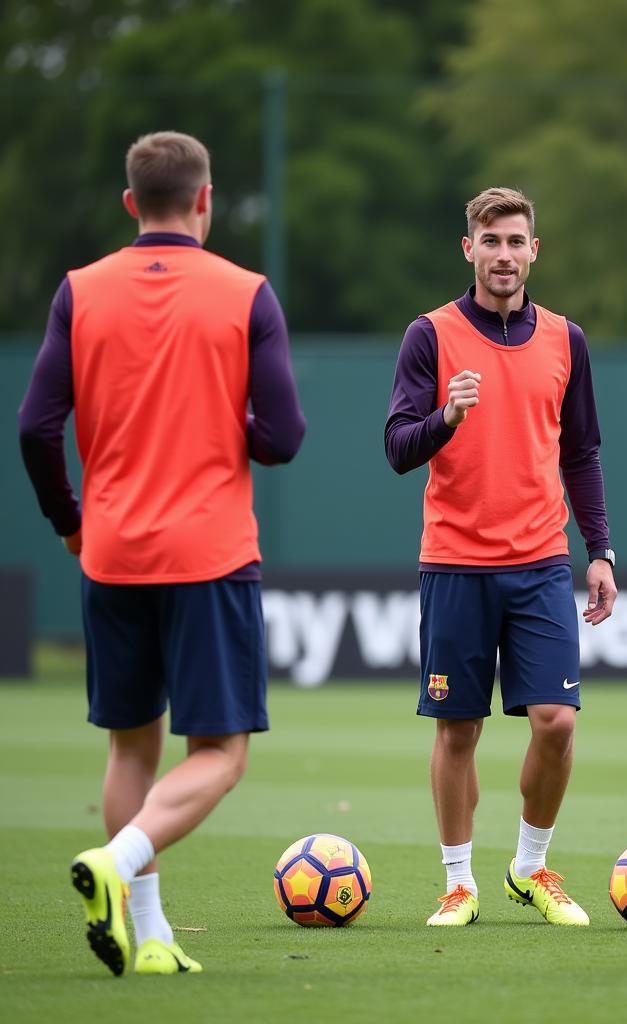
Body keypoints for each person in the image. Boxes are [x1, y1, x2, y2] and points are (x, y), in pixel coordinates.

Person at [18, 131, 305, 976]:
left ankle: (149, 937)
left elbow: (36, 427)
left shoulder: (80, 291)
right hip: (209, 555)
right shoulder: (245, 293)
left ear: (131, 203)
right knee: (219, 756)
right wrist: (230, 423)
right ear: (207, 200)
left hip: (111, 553)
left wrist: (71, 521)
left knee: (129, 749)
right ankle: (116, 863)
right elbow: (283, 437)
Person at [384, 186, 616, 928]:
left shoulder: (565, 339)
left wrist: (600, 550)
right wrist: (444, 418)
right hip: (454, 561)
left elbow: (581, 452)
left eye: (517, 241)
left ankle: (530, 865)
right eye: (492, 242)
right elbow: (396, 448)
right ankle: (459, 882)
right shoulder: (430, 334)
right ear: (469, 250)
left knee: (557, 721)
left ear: (534, 250)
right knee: (458, 731)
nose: (505, 255)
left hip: (542, 560)